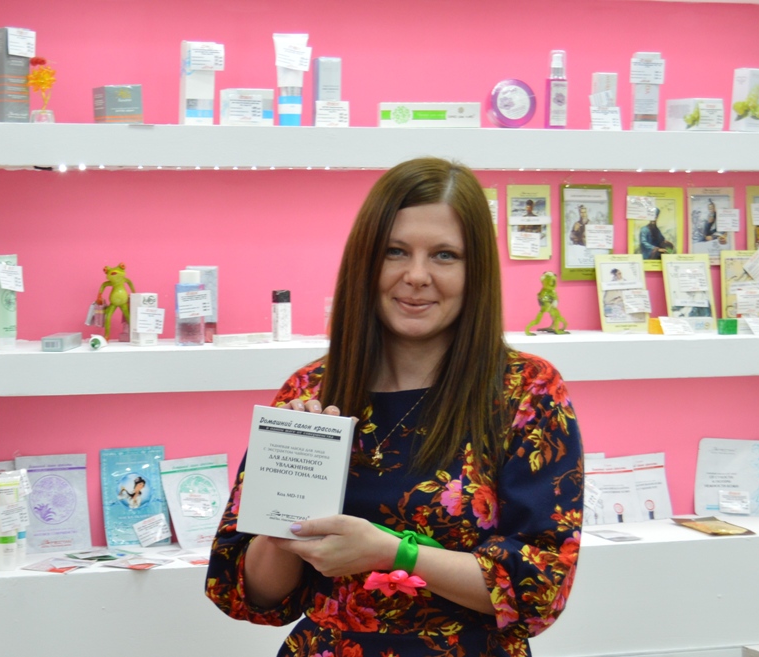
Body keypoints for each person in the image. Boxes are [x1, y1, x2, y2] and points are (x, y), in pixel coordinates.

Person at [205, 157, 584, 657]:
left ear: (476, 271)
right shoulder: (311, 391)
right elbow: (249, 596)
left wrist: (393, 553)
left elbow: (540, 590)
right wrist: (286, 512)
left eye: (445, 255)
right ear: (366, 262)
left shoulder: (526, 391)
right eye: (395, 251)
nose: (416, 275)